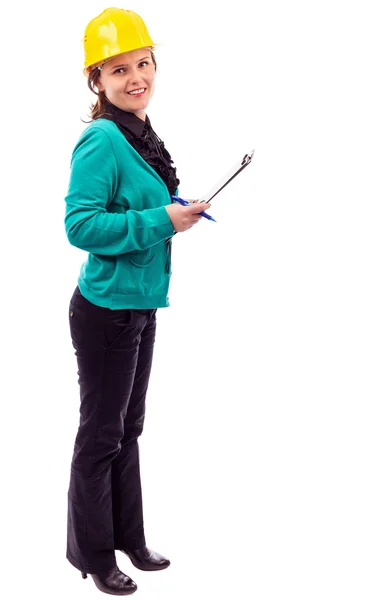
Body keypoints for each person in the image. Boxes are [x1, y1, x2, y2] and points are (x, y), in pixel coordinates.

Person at [64, 7, 211, 596]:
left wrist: (178, 212)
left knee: (129, 427)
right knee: (100, 434)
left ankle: (130, 537)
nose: (136, 76)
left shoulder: (140, 131)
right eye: (118, 68)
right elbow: (80, 226)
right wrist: (161, 220)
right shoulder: (101, 138)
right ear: (96, 80)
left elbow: (142, 209)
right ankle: (94, 555)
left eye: (144, 63)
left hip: (141, 304)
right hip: (105, 312)